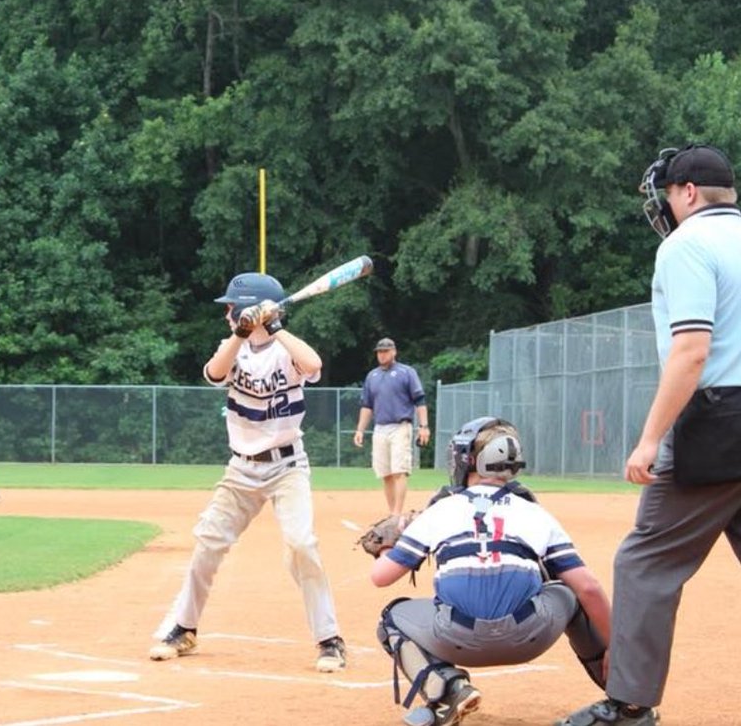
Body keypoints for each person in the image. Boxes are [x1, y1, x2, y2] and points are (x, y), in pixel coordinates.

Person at [559, 144, 741, 726]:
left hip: (717, 423)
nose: (665, 205)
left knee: (645, 561)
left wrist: (649, 438)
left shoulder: (686, 244)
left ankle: (631, 703)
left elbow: (692, 351)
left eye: (668, 194)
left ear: (687, 192)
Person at [148, 272, 346, 673]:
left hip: (287, 466)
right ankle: (184, 628)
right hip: (241, 468)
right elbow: (215, 372)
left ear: (249, 307)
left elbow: (313, 364)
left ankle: (329, 639)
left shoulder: (286, 350)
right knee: (208, 543)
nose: (226, 314)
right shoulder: (232, 347)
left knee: (301, 544)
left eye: (231, 308)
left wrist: (275, 327)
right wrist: (241, 332)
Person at [371, 417, 611, 726]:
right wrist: (615, 647)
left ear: (471, 461)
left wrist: (387, 547)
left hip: (456, 638)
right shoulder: (535, 513)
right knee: (571, 593)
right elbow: (589, 588)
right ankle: (624, 697)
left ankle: (448, 690)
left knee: (391, 619)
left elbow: (381, 577)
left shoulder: (439, 510)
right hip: (530, 637)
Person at [355, 337, 430, 518]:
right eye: (379, 352)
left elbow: (420, 401)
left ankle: (397, 513)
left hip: (400, 426)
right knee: (386, 474)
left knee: (399, 471)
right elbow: (367, 406)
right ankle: (392, 514)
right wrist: (360, 430)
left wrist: (424, 426)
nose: (382, 355)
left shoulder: (406, 372)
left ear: (394, 352)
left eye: (386, 351)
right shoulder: (372, 376)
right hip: (380, 428)